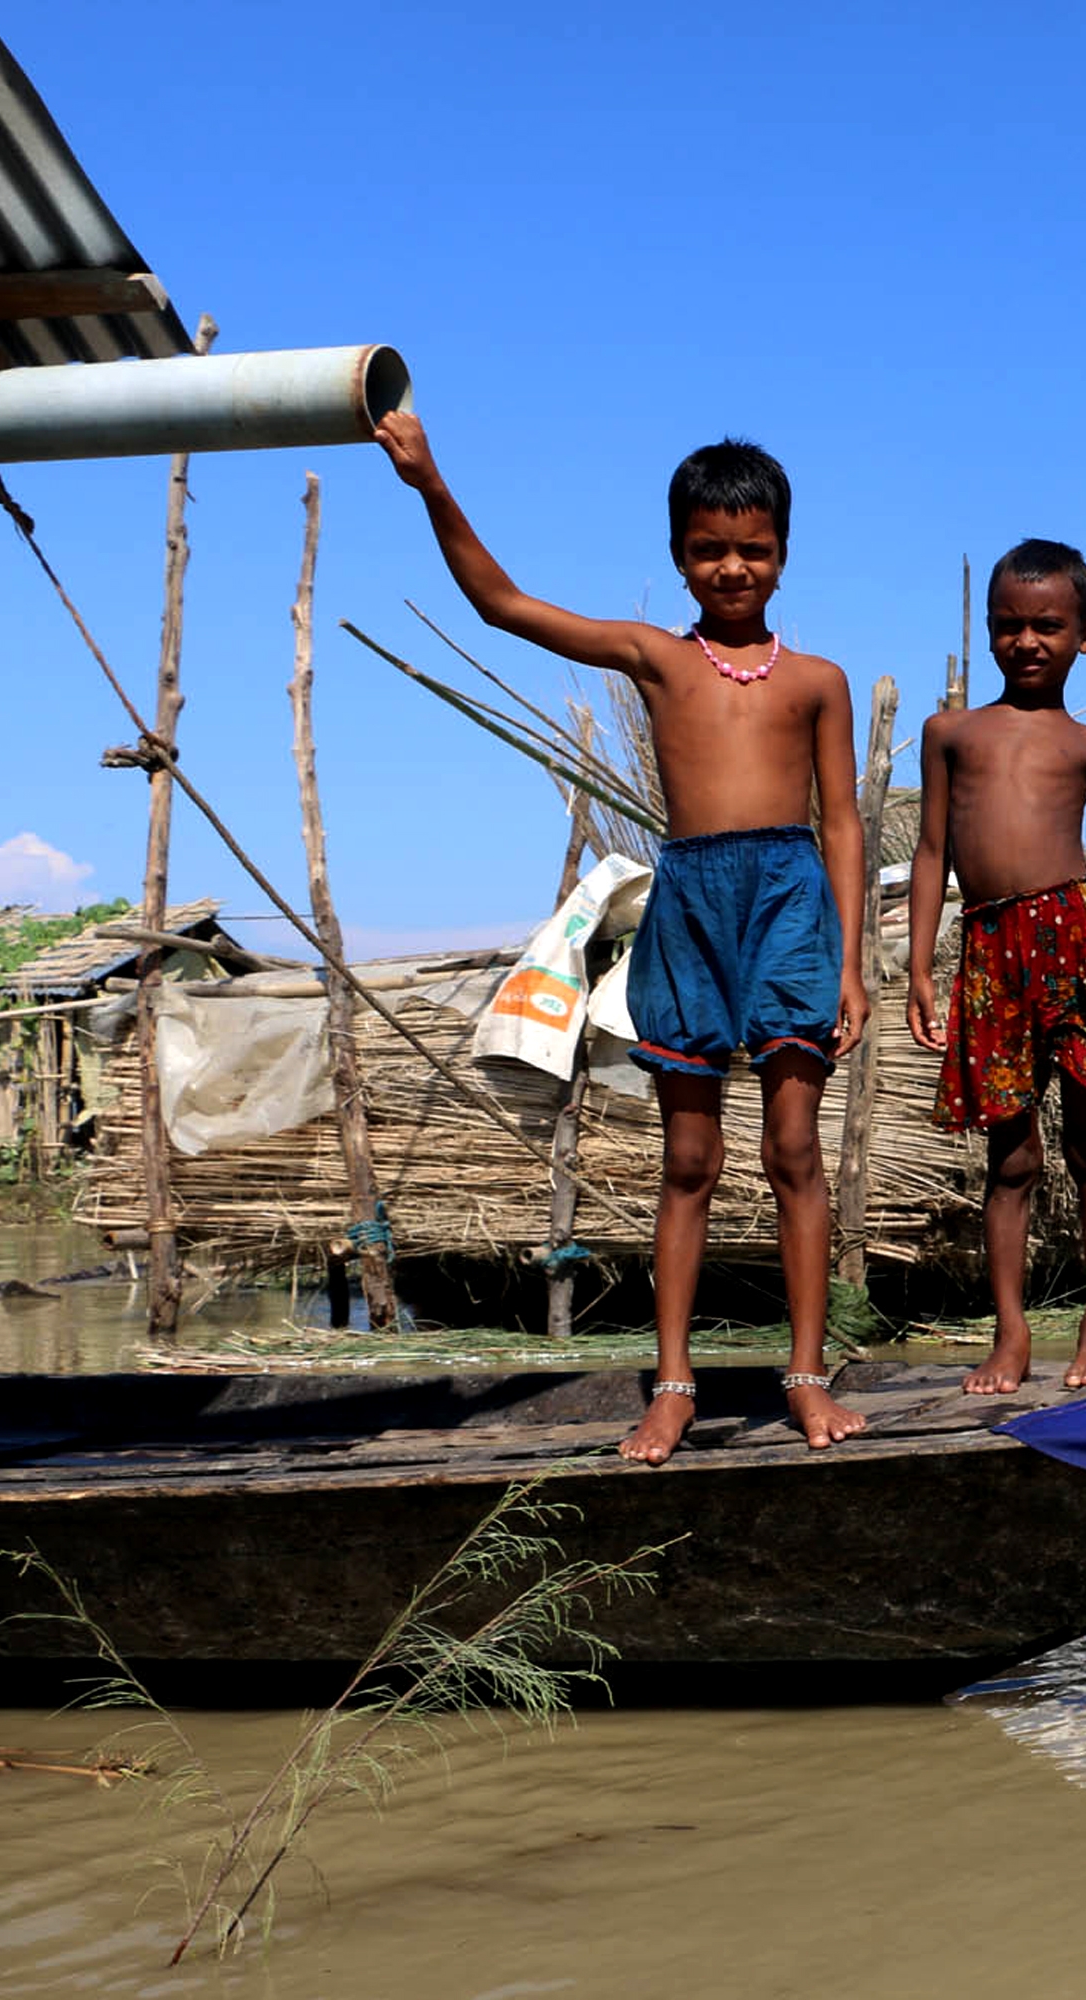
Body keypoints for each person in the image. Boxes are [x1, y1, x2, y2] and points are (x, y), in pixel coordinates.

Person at [376, 413, 870, 1459]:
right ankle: (675, 1380)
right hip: (692, 900)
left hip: (789, 901)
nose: (732, 567)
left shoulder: (818, 680)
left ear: (784, 550)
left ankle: (808, 1376)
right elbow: (502, 604)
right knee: (689, 1156)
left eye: (753, 547)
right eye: (708, 549)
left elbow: (841, 823)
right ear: (679, 556)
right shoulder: (655, 656)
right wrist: (430, 482)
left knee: (793, 1150)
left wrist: (854, 964)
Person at [906, 539, 1086, 1394]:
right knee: (1008, 1156)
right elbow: (933, 850)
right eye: (1009, 626)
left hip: (1076, 939)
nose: (1027, 641)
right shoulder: (949, 735)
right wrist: (921, 969)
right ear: (987, 633)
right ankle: (1009, 1335)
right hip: (989, 948)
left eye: (1048, 625)